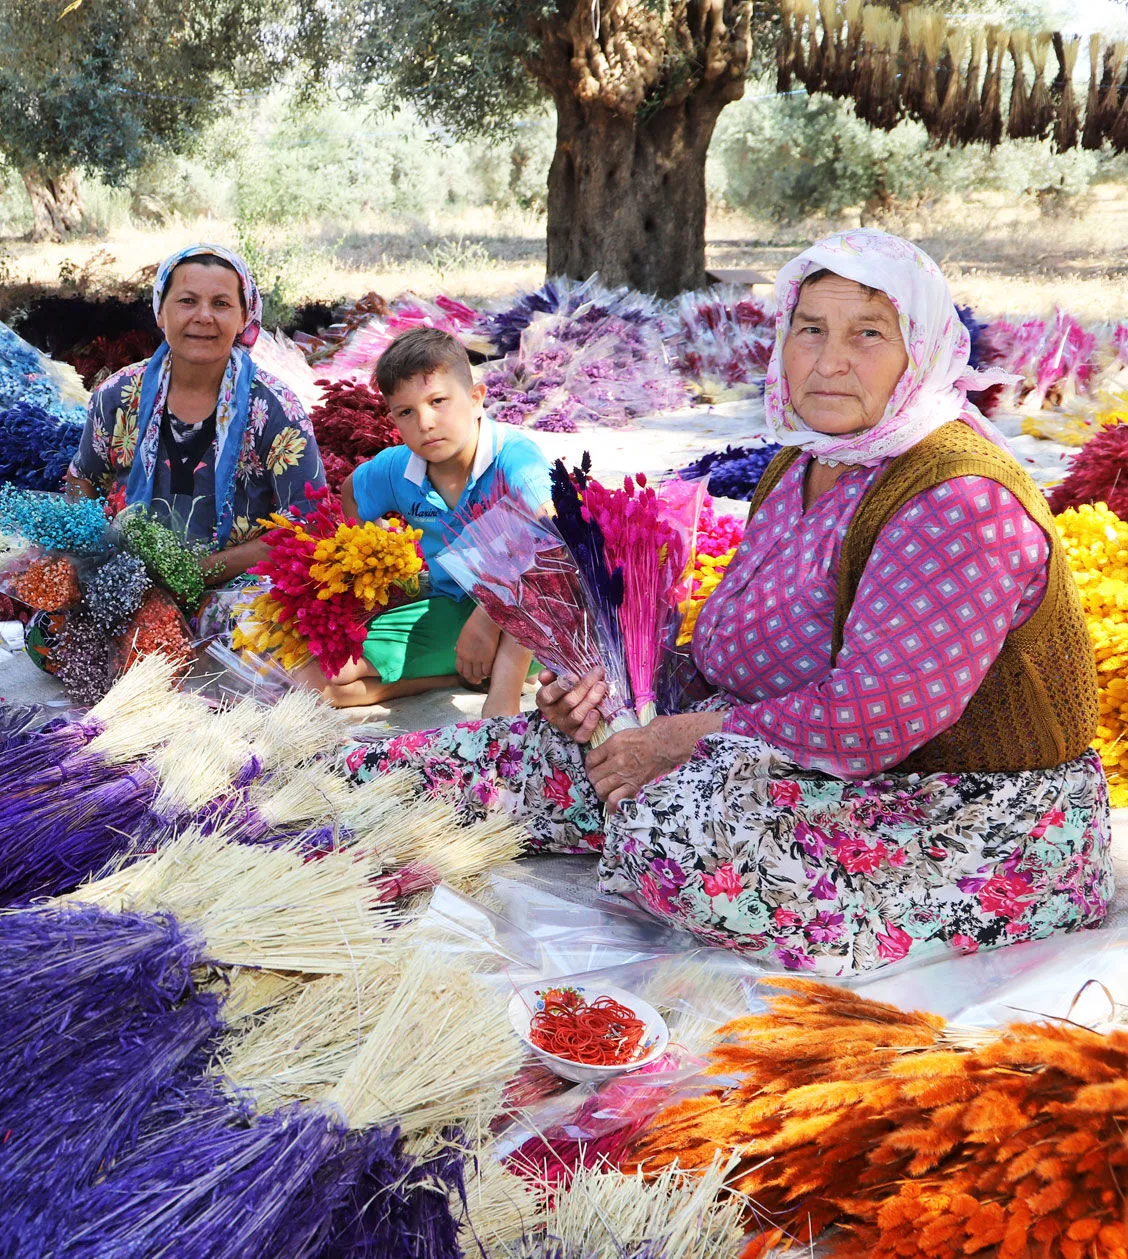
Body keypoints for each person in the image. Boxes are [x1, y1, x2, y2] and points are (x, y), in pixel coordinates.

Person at [342, 229, 1110, 976]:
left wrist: (680, 738)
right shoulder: (805, 462)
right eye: (809, 329)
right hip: (776, 752)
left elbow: (875, 717)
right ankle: (320, 789)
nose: (831, 360)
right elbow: (730, 653)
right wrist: (620, 690)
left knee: (674, 828)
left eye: (869, 333)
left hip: (961, 811)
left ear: (924, 348)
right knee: (518, 759)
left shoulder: (958, 499)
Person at [298, 329, 546, 714]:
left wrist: (487, 619)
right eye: (406, 412)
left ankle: (504, 690)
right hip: (450, 605)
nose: (425, 423)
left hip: (525, 616)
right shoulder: (399, 470)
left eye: (439, 401)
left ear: (477, 398)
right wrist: (374, 555)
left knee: (542, 564)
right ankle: (457, 676)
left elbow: (552, 540)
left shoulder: (514, 459)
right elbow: (351, 493)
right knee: (324, 677)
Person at [65, 244, 326, 587]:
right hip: (127, 586)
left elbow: (308, 524)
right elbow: (81, 479)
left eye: (221, 304)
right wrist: (100, 555)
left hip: (237, 599)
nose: (204, 316)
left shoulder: (275, 410)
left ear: (243, 317)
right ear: (161, 312)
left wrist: (196, 574)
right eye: (187, 301)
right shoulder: (117, 395)